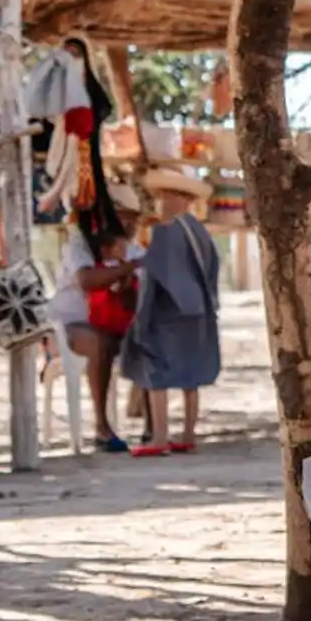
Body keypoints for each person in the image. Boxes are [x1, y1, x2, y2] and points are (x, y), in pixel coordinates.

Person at [121, 167, 221, 457]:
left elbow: (154, 278)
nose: (161, 201)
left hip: (167, 314)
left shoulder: (163, 232)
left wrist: (142, 318)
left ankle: (160, 437)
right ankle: (188, 433)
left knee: (157, 372)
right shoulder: (201, 231)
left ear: (179, 198)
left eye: (165, 195)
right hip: (201, 312)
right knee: (191, 375)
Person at [48, 180, 144, 453]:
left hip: (110, 324)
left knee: (151, 338)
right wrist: (128, 269)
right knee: (99, 343)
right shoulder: (79, 244)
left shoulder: (131, 248)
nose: (131, 224)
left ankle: (154, 426)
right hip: (68, 327)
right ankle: (102, 427)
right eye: (126, 217)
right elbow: (88, 280)